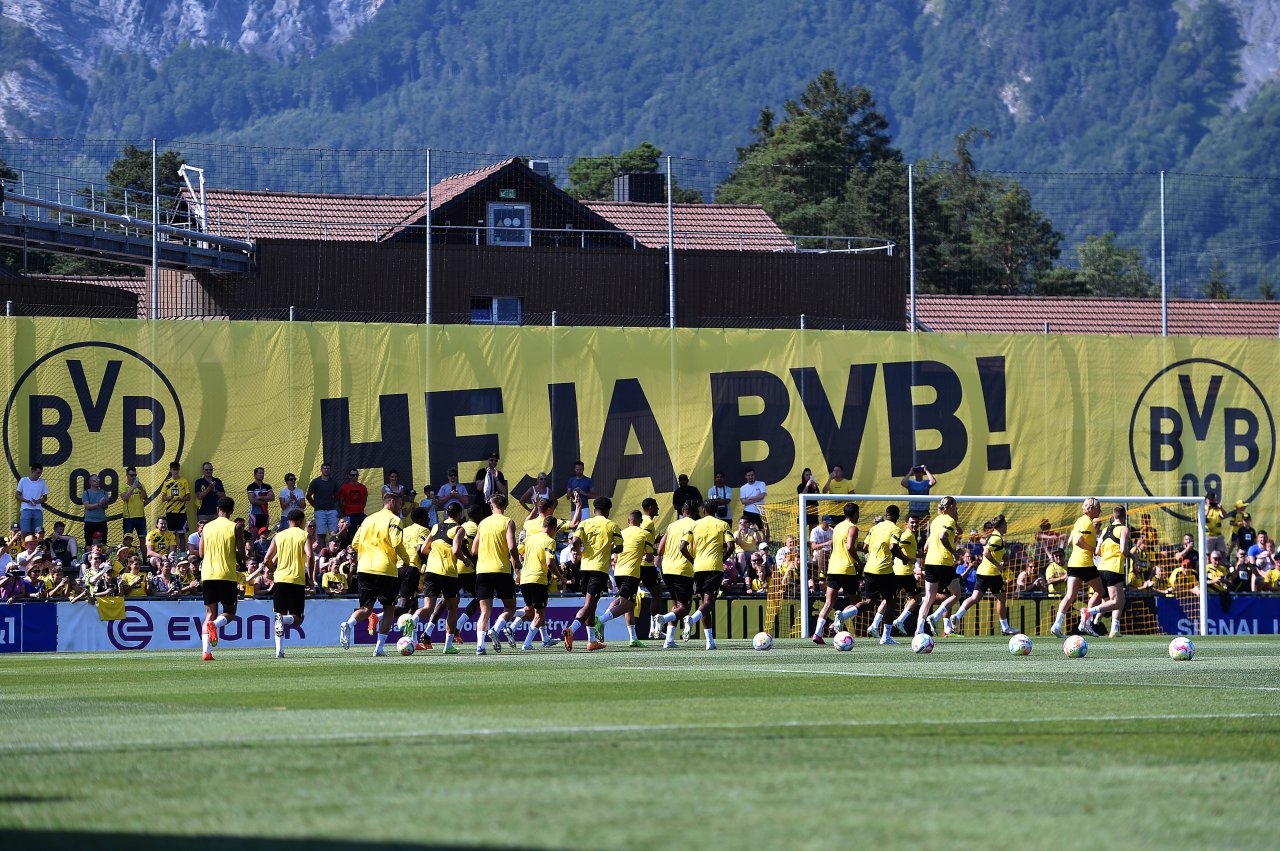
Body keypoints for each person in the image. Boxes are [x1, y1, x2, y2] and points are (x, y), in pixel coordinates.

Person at [339, 491, 410, 656]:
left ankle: (349, 624)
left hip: (364, 569)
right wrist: (405, 559)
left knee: (365, 608)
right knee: (389, 609)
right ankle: (379, 648)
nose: (401, 507)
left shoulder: (368, 519)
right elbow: (396, 542)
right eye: (400, 504)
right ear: (392, 502)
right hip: (385, 569)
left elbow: (355, 543)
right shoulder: (394, 519)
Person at [565, 497, 622, 651]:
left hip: (585, 568)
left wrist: (580, 553)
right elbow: (620, 547)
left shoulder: (585, 523)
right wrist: (610, 549)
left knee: (592, 605)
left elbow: (575, 540)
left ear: (594, 508)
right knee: (589, 605)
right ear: (608, 510)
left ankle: (592, 640)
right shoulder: (611, 525)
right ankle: (572, 629)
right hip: (599, 570)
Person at [593, 510, 656, 648]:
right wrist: (643, 555)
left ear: (628, 521)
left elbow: (615, 555)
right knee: (628, 605)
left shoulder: (622, 533)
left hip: (618, 572)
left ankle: (633, 638)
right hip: (631, 573)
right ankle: (601, 620)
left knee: (629, 605)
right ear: (641, 522)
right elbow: (650, 558)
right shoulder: (644, 534)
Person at [411, 502, 468, 654]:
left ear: (446, 514)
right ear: (459, 514)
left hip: (431, 570)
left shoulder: (435, 527)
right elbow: (456, 550)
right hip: (448, 572)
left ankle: (413, 621)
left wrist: (436, 554)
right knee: (452, 609)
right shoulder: (459, 529)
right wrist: (466, 560)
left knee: (428, 607)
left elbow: (424, 549)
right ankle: (448, 645)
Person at [948, 513, 1018, 636]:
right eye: (1006, 524)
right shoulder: (996, 537)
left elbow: (994, 551)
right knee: (1001, 598)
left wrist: (1004, 557)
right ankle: (1005, 627)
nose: (1007, 526)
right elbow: (986, 552)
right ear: (1002, 525)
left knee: (975, 598)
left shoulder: (994, 537)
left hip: (982, 572)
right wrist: (998, 564)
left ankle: (957, 616)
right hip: (992, 573)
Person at [680, 499, 735, 650]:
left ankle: (709, 642)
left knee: (705, 604)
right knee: (709, 602)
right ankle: (691, 619)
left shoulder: (694, 524)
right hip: (714, 567)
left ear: (703, 510)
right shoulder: (722, 524)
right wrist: (722, 558)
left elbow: (682, 546)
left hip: (698, 568)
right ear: (716, 510)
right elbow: (731, 546)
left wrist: (693, 560)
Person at [471, 494, 520, 656]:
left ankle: (480, 646)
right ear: (504, 506)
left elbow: (474, 550)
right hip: (501, 570)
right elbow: (512, 546)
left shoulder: (483, 523)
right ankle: (496, 629)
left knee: (485, 611)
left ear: (491, 506)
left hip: (483, 570)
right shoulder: (508, 522)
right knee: (510, 607)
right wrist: (516, 563)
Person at [1050, 497, 1104, 638]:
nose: (1100, 510)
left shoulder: (1079, 521)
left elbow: (1070, 541)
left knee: (1070, 595)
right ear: (1091, 509)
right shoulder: (1087, 523)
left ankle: (1057, 624)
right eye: (1098, 508)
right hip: (1085, 563)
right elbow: (1079, 541)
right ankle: (1085, 622)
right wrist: (1093, 549)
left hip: (1073, 563)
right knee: (1099, 591)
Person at [198, 496, 243, 662]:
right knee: (230, 612)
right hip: (227, 575)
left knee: (210, 613)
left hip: (208, 574)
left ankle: (206, 653)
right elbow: (241, 555)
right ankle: (215, 625)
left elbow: (201, 554)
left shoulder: (207, 528)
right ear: (231, 511)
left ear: (217, 509)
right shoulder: (235, 527)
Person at [511, 514, 565, 650]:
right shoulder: (549, 541)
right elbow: (549, 562)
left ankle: (511, 619)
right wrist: (560, 576)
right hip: (538, 579)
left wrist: (517, 571)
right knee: (538, 614)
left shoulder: (529, 538)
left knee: (530, 611)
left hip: (525, 578)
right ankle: (527, 643)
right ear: (553, 529)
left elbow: (516, 553)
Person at [263, 508, 311, 658]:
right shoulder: (304, 535)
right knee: (297, 619)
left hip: (280, 579)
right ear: (301, 521)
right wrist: (311, 577)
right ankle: (283, 620)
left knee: (278, 615)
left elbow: (266, 560)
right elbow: (309, 555)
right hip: (296, 580)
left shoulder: (279, 536)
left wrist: (273, 569)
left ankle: (279, 651)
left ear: (288, 521)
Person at [1077, 505, 1131, 638]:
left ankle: (1114, 630)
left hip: (1101, 568)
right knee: (1116, 602)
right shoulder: (1123, 529)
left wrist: (1106, 554)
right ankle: (1089, 612)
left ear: (1113, 516)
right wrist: (1133, 556)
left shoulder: (1106, 529)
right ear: (1124, 517)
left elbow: (1097, 551)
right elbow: (1123, 550)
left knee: (1119, 600)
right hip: (1114, 568)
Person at [813, 502, 860, 645]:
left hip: (833, 568)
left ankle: (817, 633)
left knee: (828, 602)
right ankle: (836, 623)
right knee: (855, 602)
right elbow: (850, 546)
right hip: (847, 569)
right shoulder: (852, 527)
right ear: (856, 514)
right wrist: (858, 561)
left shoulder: (837, 527)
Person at [654, 500, 699, 649]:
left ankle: (669, 640)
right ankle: (663, 619)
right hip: (683, 569)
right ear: (695, 512)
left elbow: (660, 550)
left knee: (676, 606)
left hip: (666, 568)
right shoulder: (695, 525)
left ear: (683, 511)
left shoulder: (672, 525)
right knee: (685, 608)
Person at [919, 497, 963, 637]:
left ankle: (918, 630)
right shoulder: (949, 520)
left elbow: (926, 546)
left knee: (929, 597)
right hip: (942, 561)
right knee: (956, 594)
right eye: (955, 506)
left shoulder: (936, 520)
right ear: (950, 506)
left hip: (930, 561)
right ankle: (935, 616)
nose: (956, 509)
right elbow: (943, 537)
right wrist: (954, 552)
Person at [859, 505, 903, 644]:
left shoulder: (875, 527)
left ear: (886, 514)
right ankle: (886, 637)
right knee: (891, 601)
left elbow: (865, 548)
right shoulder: (895, 529)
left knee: (869, 602)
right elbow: (893, 547)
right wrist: (904, 558)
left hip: (869, 568)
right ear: (897, 516)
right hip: (884, 570)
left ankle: (844, 614)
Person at [392, 505, 430, 644]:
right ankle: (377, 617)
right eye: (426, 517)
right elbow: (421, 549)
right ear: (420, 519)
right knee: (403, 606)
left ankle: (412, 640)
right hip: (411, 568)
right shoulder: (424, 530)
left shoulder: (405, 530)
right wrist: (428, 561)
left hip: (398, 567)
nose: (429, 518)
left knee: (413, 605)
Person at [887, 514, 925, 635]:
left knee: (888, 599)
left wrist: (916, 557)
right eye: (912, 522)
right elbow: (894, 547)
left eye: (916, 522)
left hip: (898, 571)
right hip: (904, 572)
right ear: (906, 523)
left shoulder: (911, 535)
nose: (914, 524)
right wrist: (907, 560)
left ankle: (875, 624)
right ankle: (900, 620)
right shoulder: (907, 534)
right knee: (917, 597)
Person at [638, 497, 667, 639]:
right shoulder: (648, 522)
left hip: (639, 563)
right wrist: (649, 552)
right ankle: (654, 629)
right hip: (646, 564)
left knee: (625, 598)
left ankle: (605, 617)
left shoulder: (642, 520)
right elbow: (642, 538)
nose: (658, 509)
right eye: (656, 506)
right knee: (657, 594)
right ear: (649, 507)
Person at [159, 461, 191, 552]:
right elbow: (163, 498)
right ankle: (171, 555)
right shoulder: (167, 482)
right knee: (171, 536)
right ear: (170, 470)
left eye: (177, 469)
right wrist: (171, 497)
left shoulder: (184, 481)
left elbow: (188, 497)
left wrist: (180, 499)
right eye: (173, 469)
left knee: (182, 535)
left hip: (181, 512)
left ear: (179, 470)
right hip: (170, 512)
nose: (175, 472)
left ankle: (182, 555)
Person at [306, 463, 341, 545]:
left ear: (330, 470)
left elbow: (337, 495)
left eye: (328, 468)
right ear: (321, 470)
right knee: (321, 534)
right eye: (324, 468)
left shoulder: (334, 482)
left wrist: (331, 503)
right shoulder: (315, 482)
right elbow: (308, 496)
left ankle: (333, 553)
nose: (326, 470)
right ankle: (323, 553)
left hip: (332, 510)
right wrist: (315, 505)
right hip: (320, 511)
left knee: (334, 533)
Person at [15, 464, 49, 534]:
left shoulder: (42, 482)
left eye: (41, 473)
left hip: (38, 510)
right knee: (24, 532)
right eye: (38, 472)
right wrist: (27, 501)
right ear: (32, 471)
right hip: (26, 509)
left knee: (38, 533)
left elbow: (45, 498)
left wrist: (37, 501)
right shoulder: (23, 480)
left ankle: (36, 545)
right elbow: (17, 495)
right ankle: (24, 545)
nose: (39, 475)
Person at [120, 466, 148, 540]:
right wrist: (133, 488)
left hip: (140, 516)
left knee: (143, 539)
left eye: (135, 475)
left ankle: (144, 552)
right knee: (127, 539)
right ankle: (127, 552)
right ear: (127, 475)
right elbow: (125, 498)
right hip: (129, 517)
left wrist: (141, 488)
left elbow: (145, 497)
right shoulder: (123, 486)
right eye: (131, 475)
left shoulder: (141, 485)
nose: (133, 477)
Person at [246, 467, 275, 533]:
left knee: (263, 534)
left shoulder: (267, 486)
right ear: (255, 475)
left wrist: (260, 497)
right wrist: (265, 500)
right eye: (259, 473)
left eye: (263, 473)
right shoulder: (251, 486)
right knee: (253, 535)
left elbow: (272, 497)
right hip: (254, 513)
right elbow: (252, 501)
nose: (262, 475)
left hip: (265, 513)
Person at [738, 467, 767, 532]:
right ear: (745, 476)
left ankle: (766, 542)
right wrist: (757, 498)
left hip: (761, 511)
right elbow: (743, 501)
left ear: (755, 475)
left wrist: (750, 498)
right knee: (747, 530)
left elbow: (762, 496)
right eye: (749, 475)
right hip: (748, 512)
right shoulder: (743, 488)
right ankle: (748, 542)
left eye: (752, 475)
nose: (751, 477)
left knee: (765, 530)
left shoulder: (761, 484)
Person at [809, 514, 834, 581]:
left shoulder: (832, 530)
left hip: (830, 552)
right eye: (827, 523)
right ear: (823, 522)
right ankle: (822, 576)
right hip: (818, 553)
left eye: (830, 523)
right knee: (822, 552)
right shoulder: (815, 530)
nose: (829, 525)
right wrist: (826, 543)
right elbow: (813, 547)